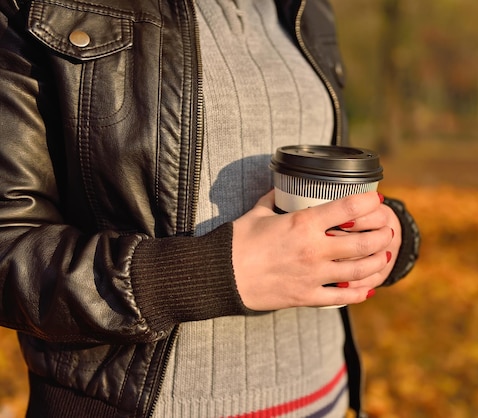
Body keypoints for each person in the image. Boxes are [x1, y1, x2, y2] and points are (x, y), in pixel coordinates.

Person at [0, 0, 419, 416]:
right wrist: (206, 273)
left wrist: (384, 237)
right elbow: (9, 250)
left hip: (326, 396)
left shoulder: (307, 7)